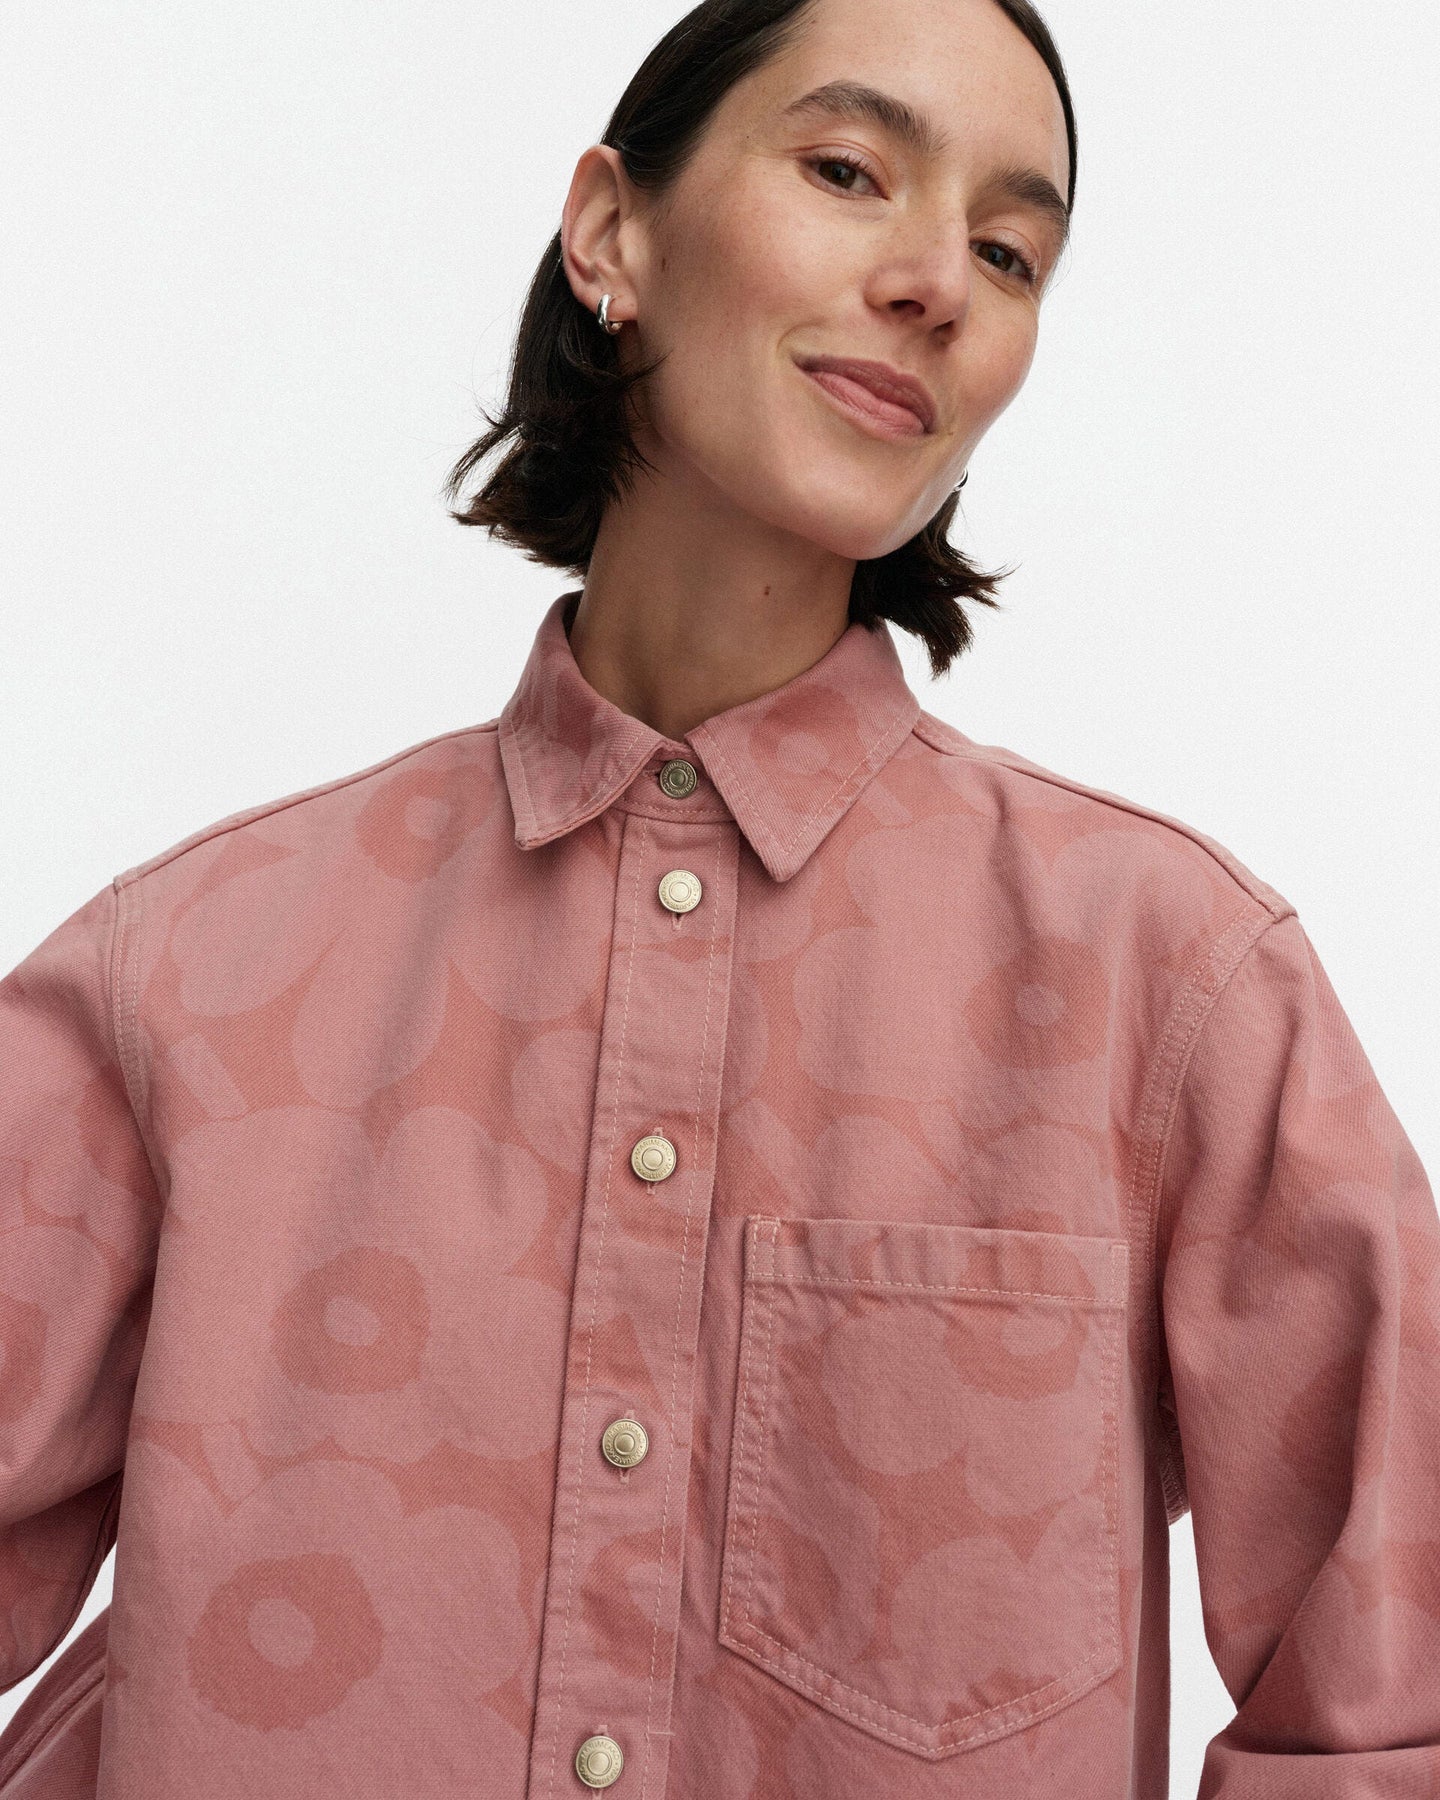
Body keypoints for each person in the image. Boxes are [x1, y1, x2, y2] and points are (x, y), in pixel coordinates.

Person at [1, 0, 1436, 1793]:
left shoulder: (1175, 984)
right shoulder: (191, 976)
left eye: (1009, 252)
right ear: (612, 233)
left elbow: (1396, 1714)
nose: (938, 281)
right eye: (847, 170)